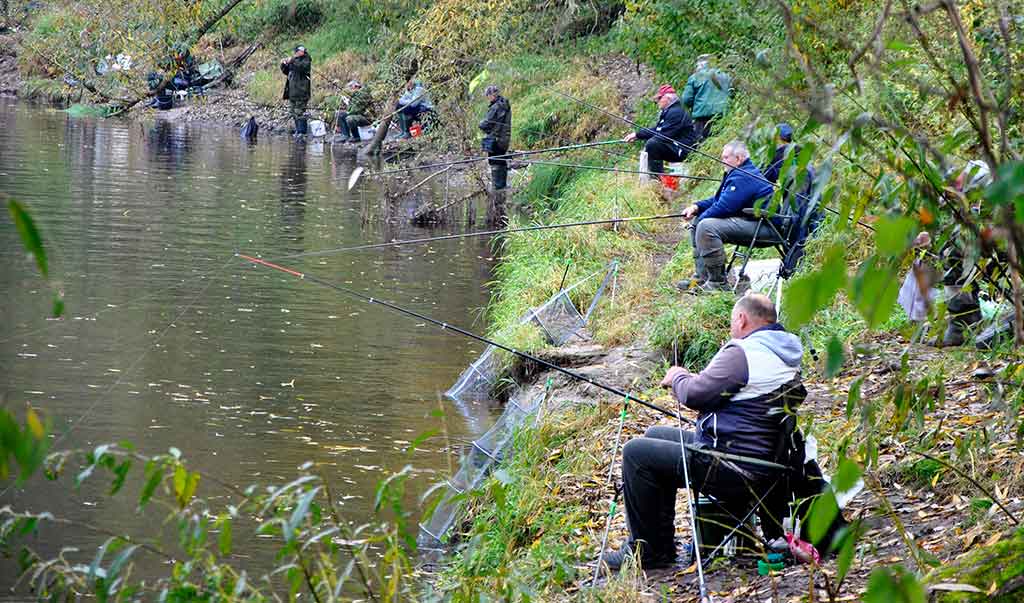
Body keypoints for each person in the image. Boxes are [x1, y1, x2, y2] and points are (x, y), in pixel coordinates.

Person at [601, 294, 804, 571]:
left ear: (742, 319)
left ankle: (646, 552)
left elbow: (695, 394)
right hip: (758, 460)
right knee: (654, 434)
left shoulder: (745, 353)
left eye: (733, 321)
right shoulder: (784, 352)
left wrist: (677, 377)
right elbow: (727, 389)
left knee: (636, 453)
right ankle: (660, 545)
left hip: (732, 465)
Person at [910, 160, 995, 346]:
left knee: (951, 251)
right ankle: (963, 321)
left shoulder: (987, 186)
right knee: (950, 244)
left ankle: (962, 324)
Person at [680, 140, 775, 291]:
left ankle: (718, 284)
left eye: (725, 158)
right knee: (700, 220)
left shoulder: (744, 176)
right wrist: (696, 207)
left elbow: (724, 207)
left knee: (706, 226)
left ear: (738, 159)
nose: (721, 161)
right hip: (752, 221)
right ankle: (702, 277)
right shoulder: (738, 172)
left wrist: (701, 220)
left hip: (765, 227)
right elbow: (719, 200)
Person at [624, 85, 697, 177]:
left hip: (683, 149)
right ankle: (658, 176)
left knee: (653, 144)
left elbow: (663, 135)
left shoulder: (675, 112)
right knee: (652, 143)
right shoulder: (671, 111)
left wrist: (640, 136)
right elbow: (658, 129)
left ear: (668, 98)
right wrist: (637, 135)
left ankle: (657, 178)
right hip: (676, 146)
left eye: (659, 98)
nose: (657, 101)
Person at [681, 55, 732, 142]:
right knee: (720, 143)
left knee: (700, 144)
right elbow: (732, 94)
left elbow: (686, 99)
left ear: (700, 64)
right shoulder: (726, 76)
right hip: (722, 116)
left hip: (702, 119)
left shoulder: (695, 77)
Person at [479, 84, 512, 191]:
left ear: (492, 95)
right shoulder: (505, 105)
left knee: (494, 161)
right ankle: (502, 186)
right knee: (501, 160)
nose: (488, 98)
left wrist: (480, 124)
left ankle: (497, 188)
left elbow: (487, 123)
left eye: (488, 95)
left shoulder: (496, 107)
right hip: (504, 139)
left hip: (496, 140)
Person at [281, 46, 312, 138]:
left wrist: (292, 61)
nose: (297, 53)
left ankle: (302, 132)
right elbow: (286, 71)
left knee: (300, 112)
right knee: (292, 112)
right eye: (297, 51)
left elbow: (302, 68)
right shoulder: (295, 60)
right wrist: (284, 64)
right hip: (292, 93)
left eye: (299, 51)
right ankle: (298, 131)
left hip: (302, 92)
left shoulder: (306, 60)